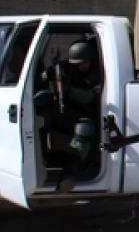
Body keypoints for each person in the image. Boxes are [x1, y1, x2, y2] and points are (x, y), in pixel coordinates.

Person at [40, 39, 103, 185]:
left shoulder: (98, 72)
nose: (80, 66)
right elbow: (43, 76)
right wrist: (51, 78)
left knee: (83, 132)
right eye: (77, 64)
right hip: (68, 111)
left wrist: (68, 90)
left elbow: (89, 97)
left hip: (89, 114)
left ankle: (71, 170)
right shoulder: (65, 67)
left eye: (83, 63)